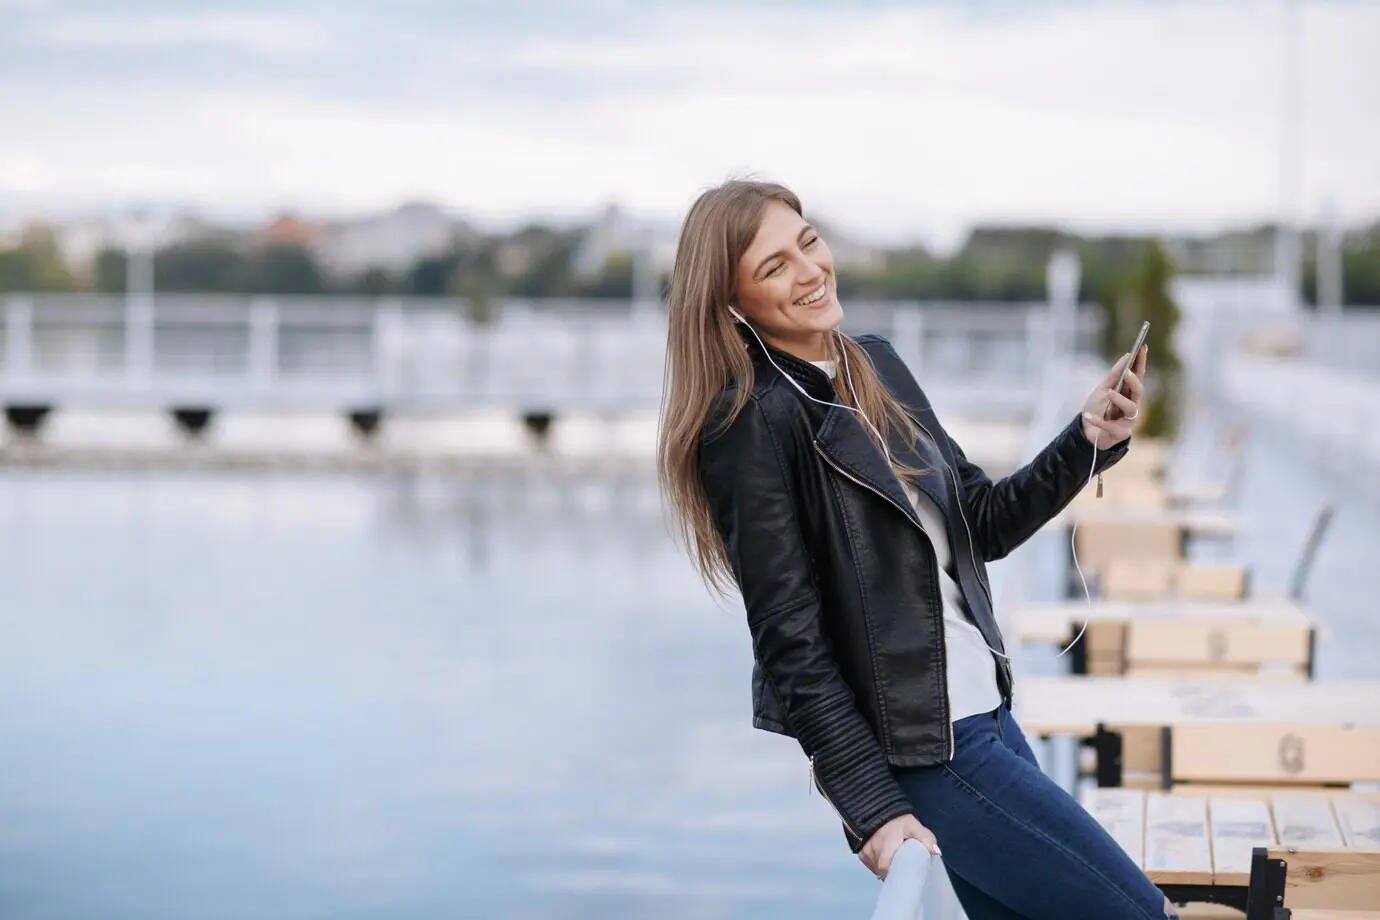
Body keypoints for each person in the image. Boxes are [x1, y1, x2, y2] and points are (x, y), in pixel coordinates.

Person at [656, 180, 1173, 920]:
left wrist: (1086, 440)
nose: (809, 270)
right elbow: (790, 644)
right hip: (933, 755)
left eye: (807, 242)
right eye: (773, 267)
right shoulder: (748, 426)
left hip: (991, 719)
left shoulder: (875, 364)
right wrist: (871, 807)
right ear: (732, 305)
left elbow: (982, 520)